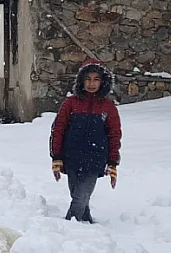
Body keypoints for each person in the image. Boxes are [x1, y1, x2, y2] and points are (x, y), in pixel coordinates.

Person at [50, 60, 121, 223]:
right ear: (81, 81)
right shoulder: (71, 103)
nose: (91, 83)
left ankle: (69, 226)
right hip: (71, 158)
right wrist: (56, 157)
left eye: (96, 79)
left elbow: (114, 135)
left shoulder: (108, 107)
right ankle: (86, 221)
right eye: (88, 79)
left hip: (95, 159)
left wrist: (112, 162)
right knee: (77, 194)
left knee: (80, 197)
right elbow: (58, 129)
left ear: (103, 82)